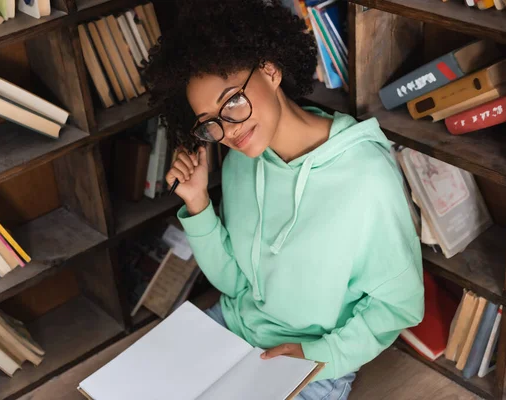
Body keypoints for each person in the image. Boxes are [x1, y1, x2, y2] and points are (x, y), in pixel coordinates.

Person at [143, 0, 424, 398]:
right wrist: (198, 204)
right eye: (210, 123)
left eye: (232, 102)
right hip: (234, 325)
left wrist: (318, 354)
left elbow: (399, 305)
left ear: (270, 71)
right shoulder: (244, 159)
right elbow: (236, 283)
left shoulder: (366, 178)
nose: (228, 130)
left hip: (312, 361)